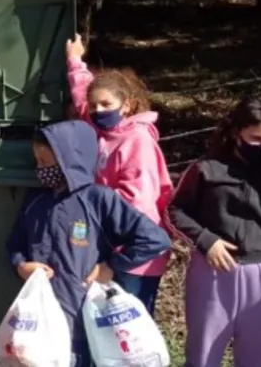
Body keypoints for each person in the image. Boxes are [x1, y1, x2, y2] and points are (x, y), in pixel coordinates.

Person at [6, 120, 171, 367]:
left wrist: (112, 265)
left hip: (85, 324)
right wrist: (20, 265)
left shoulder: (98, 199)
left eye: (46, 163)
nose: (40, 170)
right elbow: (15, 243)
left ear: (68, 160)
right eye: (37, 163)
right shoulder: (35, 201)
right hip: (41, 324)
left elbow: (154, 238)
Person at [167, 96, 261, 367]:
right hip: (212, 270)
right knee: (202, 356)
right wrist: (206, 241)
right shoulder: (206, 168)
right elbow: (174, 211)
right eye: (254, 138)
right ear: (236, 133)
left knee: (256, 358)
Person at [64, 34, 173, 314]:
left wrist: (114, 261)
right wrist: (75, 60)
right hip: (112, 248)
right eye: (95, 106)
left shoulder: (136, 141)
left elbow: (139, 208)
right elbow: (83, 98)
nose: (98, 111)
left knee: (128, 334)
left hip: (135, 257)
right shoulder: (104, 130)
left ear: (126, 105)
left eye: (106, 105)